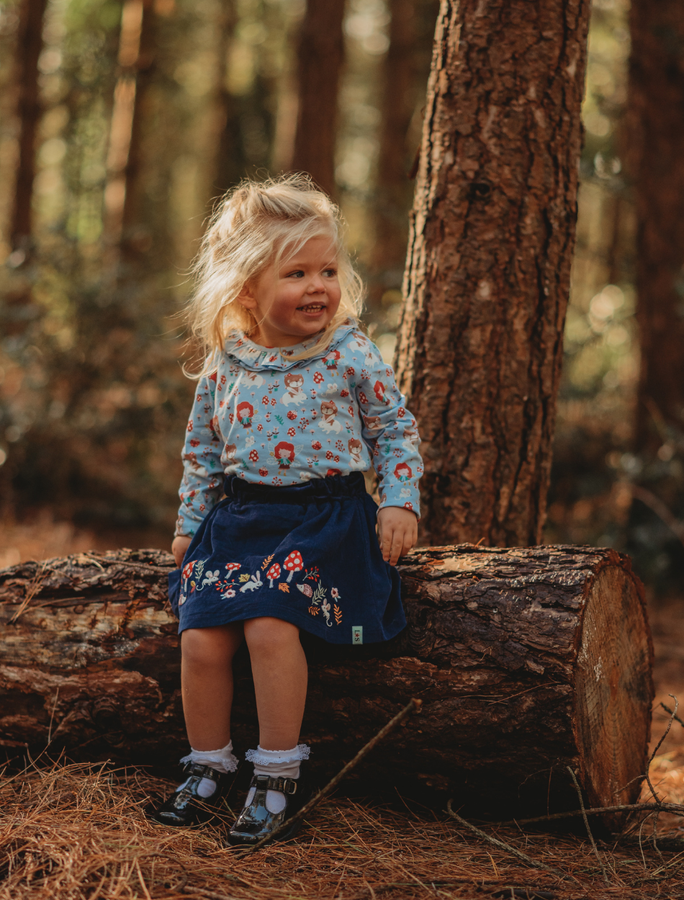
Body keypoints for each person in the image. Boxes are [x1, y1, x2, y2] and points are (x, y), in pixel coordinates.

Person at [151, 174, 423, 845]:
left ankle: (275, 775)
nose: (318, 286)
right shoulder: (228, 361)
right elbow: (202, 452)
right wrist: (190, 524)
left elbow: (394, 428)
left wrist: (399, 501)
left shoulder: (348, 350)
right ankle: (207, 766)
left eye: (328, 269)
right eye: (296, 272)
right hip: (240, 520)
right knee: (201, 634)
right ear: (248, 289)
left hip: (323, 518)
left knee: (271, 625)